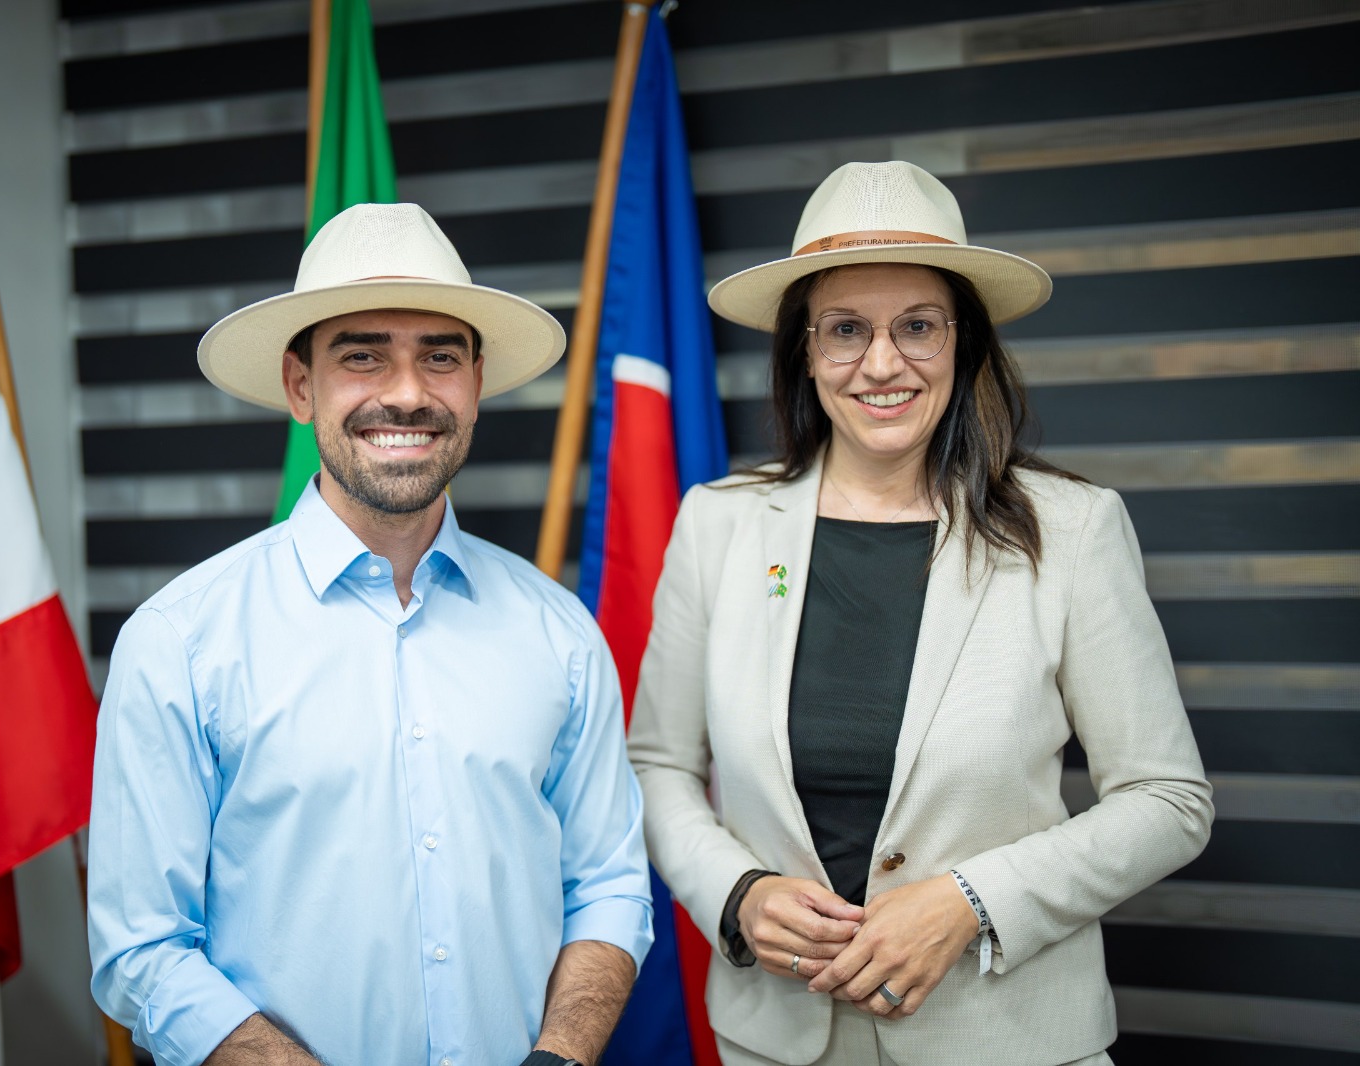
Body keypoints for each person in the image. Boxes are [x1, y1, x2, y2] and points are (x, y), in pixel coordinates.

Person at [626, 161, 1213, 1066]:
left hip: (1011, 1043)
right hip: (775, 1041)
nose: (881, 363)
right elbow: (659, 765)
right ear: (803, 351)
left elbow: (1168, 801)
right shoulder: (718, 523)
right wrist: (736, 893)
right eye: (845, 329)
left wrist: (971, 902)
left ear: (963, 342)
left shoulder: (1074, 529)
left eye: (918, 326)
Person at [88, 202, 652, 1066]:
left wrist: (561, 1054)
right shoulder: (180, 642)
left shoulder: (560, 635)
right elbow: (142, 948)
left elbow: (609, 886)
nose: (408, 393)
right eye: (362, 356)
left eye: (440, 357)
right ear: (300, 386)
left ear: (475, 383)